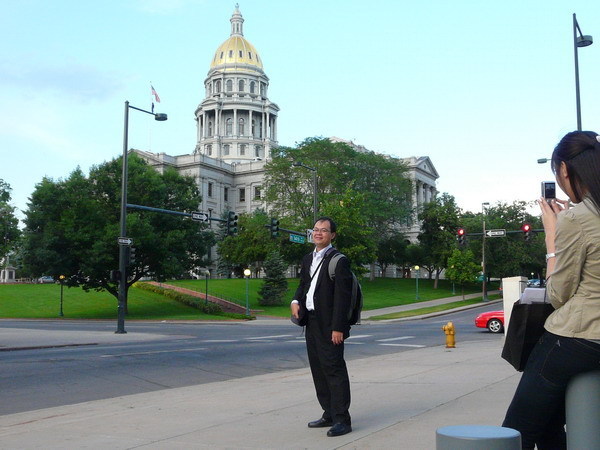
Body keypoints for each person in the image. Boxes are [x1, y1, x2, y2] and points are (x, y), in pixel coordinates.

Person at [503, 131, 600, 449]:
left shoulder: (578, 218)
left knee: (519, 429)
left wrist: (552, 237)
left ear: (563, 171)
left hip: (578, 338)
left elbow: (558, 294)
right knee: (549, 427)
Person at [291, 217, 354, 437]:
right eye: (316, 230)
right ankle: (328, 413)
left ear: (332, 235)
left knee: (334, 370)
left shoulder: (339, 260)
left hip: (330, 325)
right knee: (318, 369)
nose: (318, 233)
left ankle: (342, 420)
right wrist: (295, 301)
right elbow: (304, 286)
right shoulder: (308, 258)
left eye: (324, 230)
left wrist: (338, 328)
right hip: (312, 322)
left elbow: (342, 298)